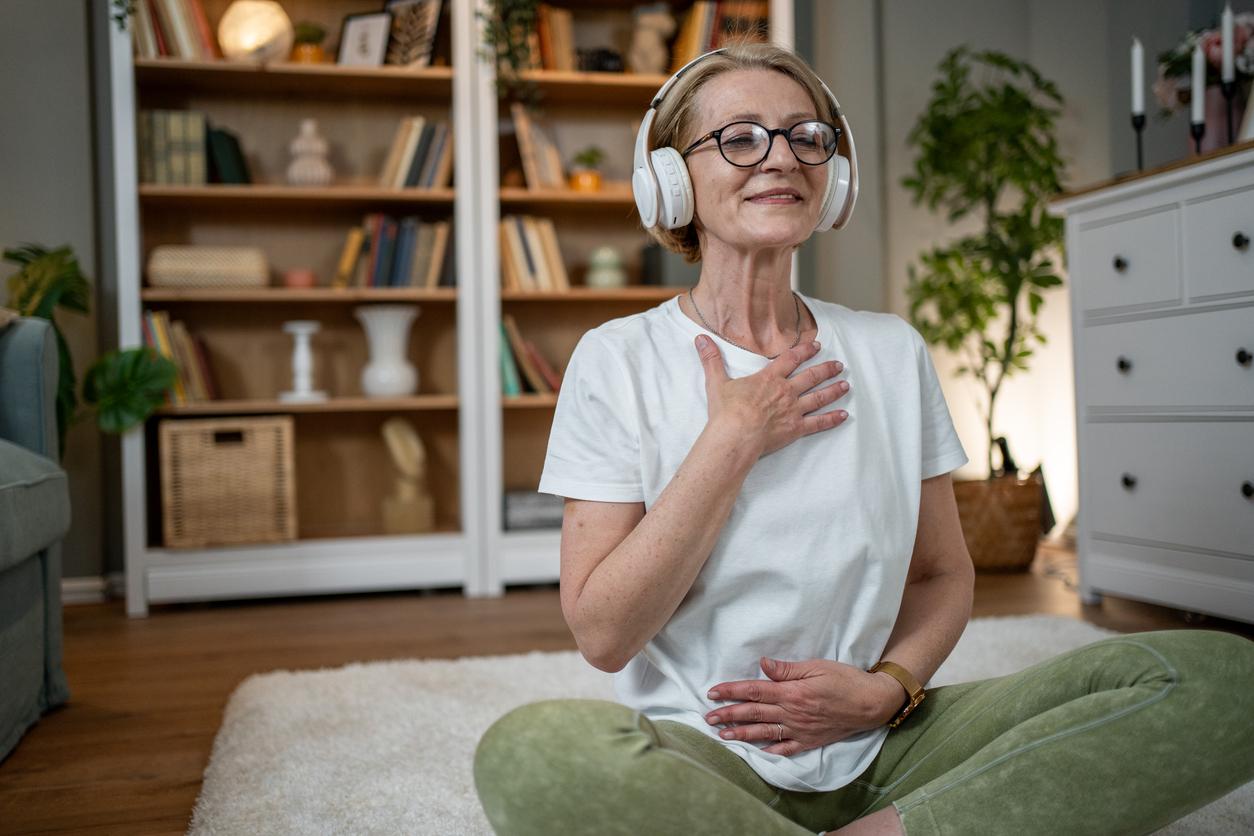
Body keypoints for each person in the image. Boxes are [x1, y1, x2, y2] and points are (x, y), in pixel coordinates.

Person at [473, 42, 1254, 835]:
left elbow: (943, 575)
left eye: (805, 136)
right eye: (739, 138)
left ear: (832, 174)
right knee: (530, 751)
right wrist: (732, 441)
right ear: (672, 181)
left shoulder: (889, 349)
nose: (780, 158)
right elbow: (604, 635)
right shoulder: (619, 359)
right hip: (703, 752)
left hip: (887, 745)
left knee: (1229, 679)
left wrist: (890, 687)